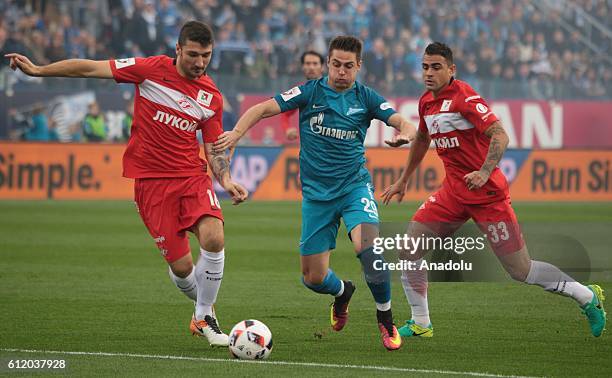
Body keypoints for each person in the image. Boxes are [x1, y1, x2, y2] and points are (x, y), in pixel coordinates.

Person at [5, 21, 248, 346]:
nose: (200, 62)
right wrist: (38, 70)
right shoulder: (148, 70)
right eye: (193, 54)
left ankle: (205, 316)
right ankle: (200, 308)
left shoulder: (212, 96)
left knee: (214, 237)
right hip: (150, 184)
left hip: (191, 176)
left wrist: (227, 179)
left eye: (206, 55)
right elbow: (90, 69)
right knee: (182, 268)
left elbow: (214, 146)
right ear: (177, 49)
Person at [382, 42, 606, 339]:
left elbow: (500, 134)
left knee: (521, 270)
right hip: (454, 193)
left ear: (451, 70)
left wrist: (485, 171)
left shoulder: (464, 97)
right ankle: (421, 322)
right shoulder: (426, 102)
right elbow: (423, 138)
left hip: (487, 195)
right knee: (409, 248)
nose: (429, 73)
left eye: (436, 67)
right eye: (425, 67)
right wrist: (404, 179)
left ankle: (587, 297)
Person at [215, 36, 417, 350]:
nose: (341, 71)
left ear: (358, 66)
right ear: (328, 64)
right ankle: (342, 293)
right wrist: (236, 135)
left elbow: (403, 120)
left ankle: (385, 317)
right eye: (336, 64)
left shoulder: (367, 98)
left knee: (370, 249)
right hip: (316, 197)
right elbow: (263, 108)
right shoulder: (309, 92)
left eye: (348, 66)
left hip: (354, 187)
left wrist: (405, 132)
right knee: (312, 278)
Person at [281, 50, 325, 142]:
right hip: (310, 150)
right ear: (303, 67)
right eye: (308, 64)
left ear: (322, 67)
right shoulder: (300, 91)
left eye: (315, 63)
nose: (311, 67)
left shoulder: (333, 88)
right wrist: (287, 129)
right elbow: (285, 114)